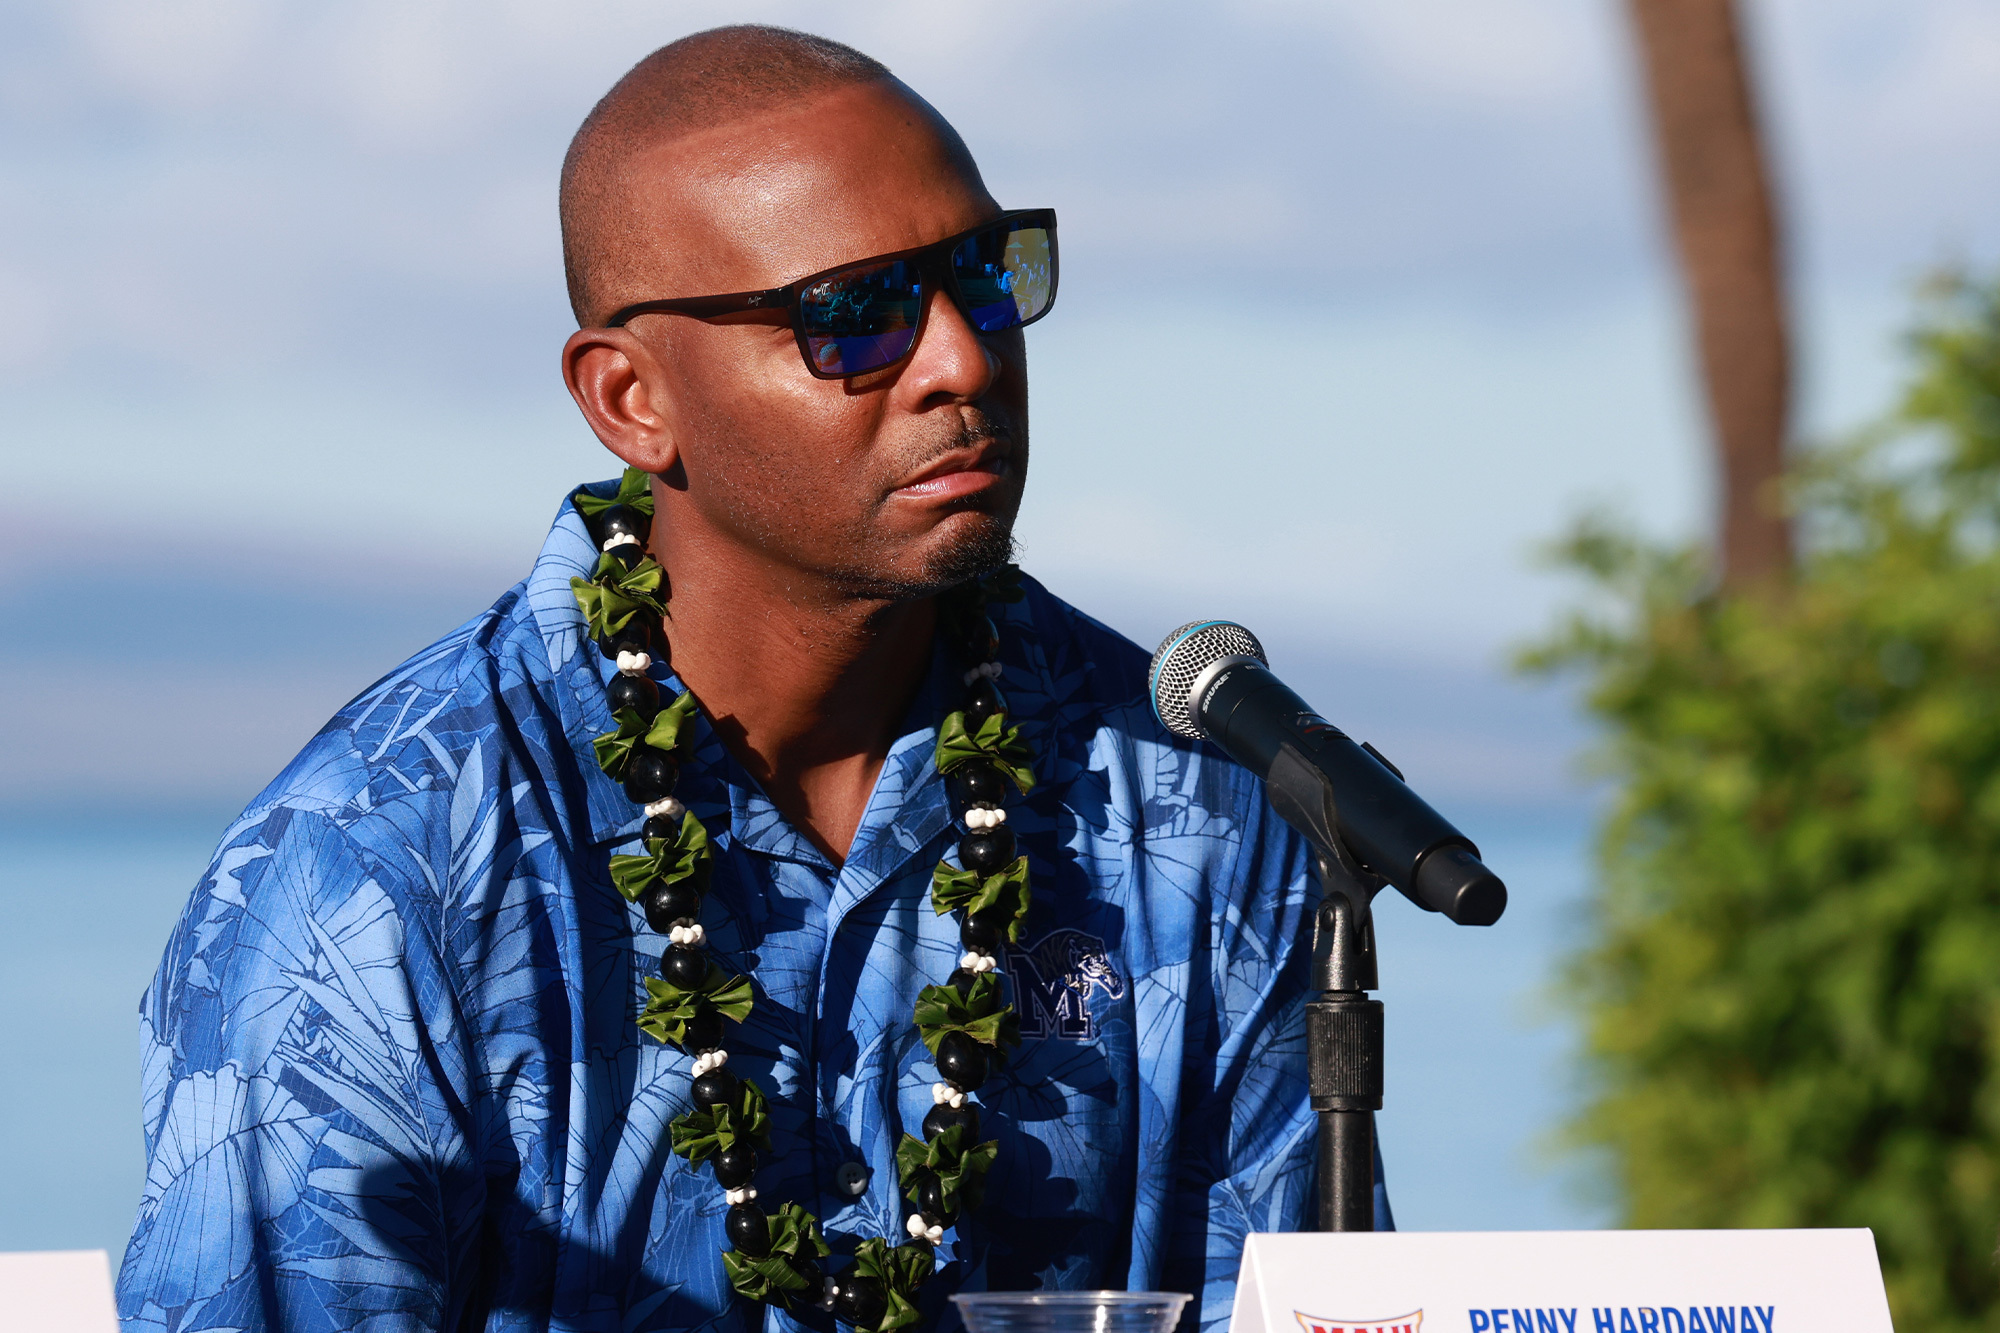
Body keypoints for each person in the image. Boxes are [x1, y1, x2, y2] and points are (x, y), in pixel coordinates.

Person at [116, 24, 1387, 1333]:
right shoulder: (372, 872)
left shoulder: (1187, 796)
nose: (962, 360)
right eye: (857, 315)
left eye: (983, 277)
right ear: (630, 400)